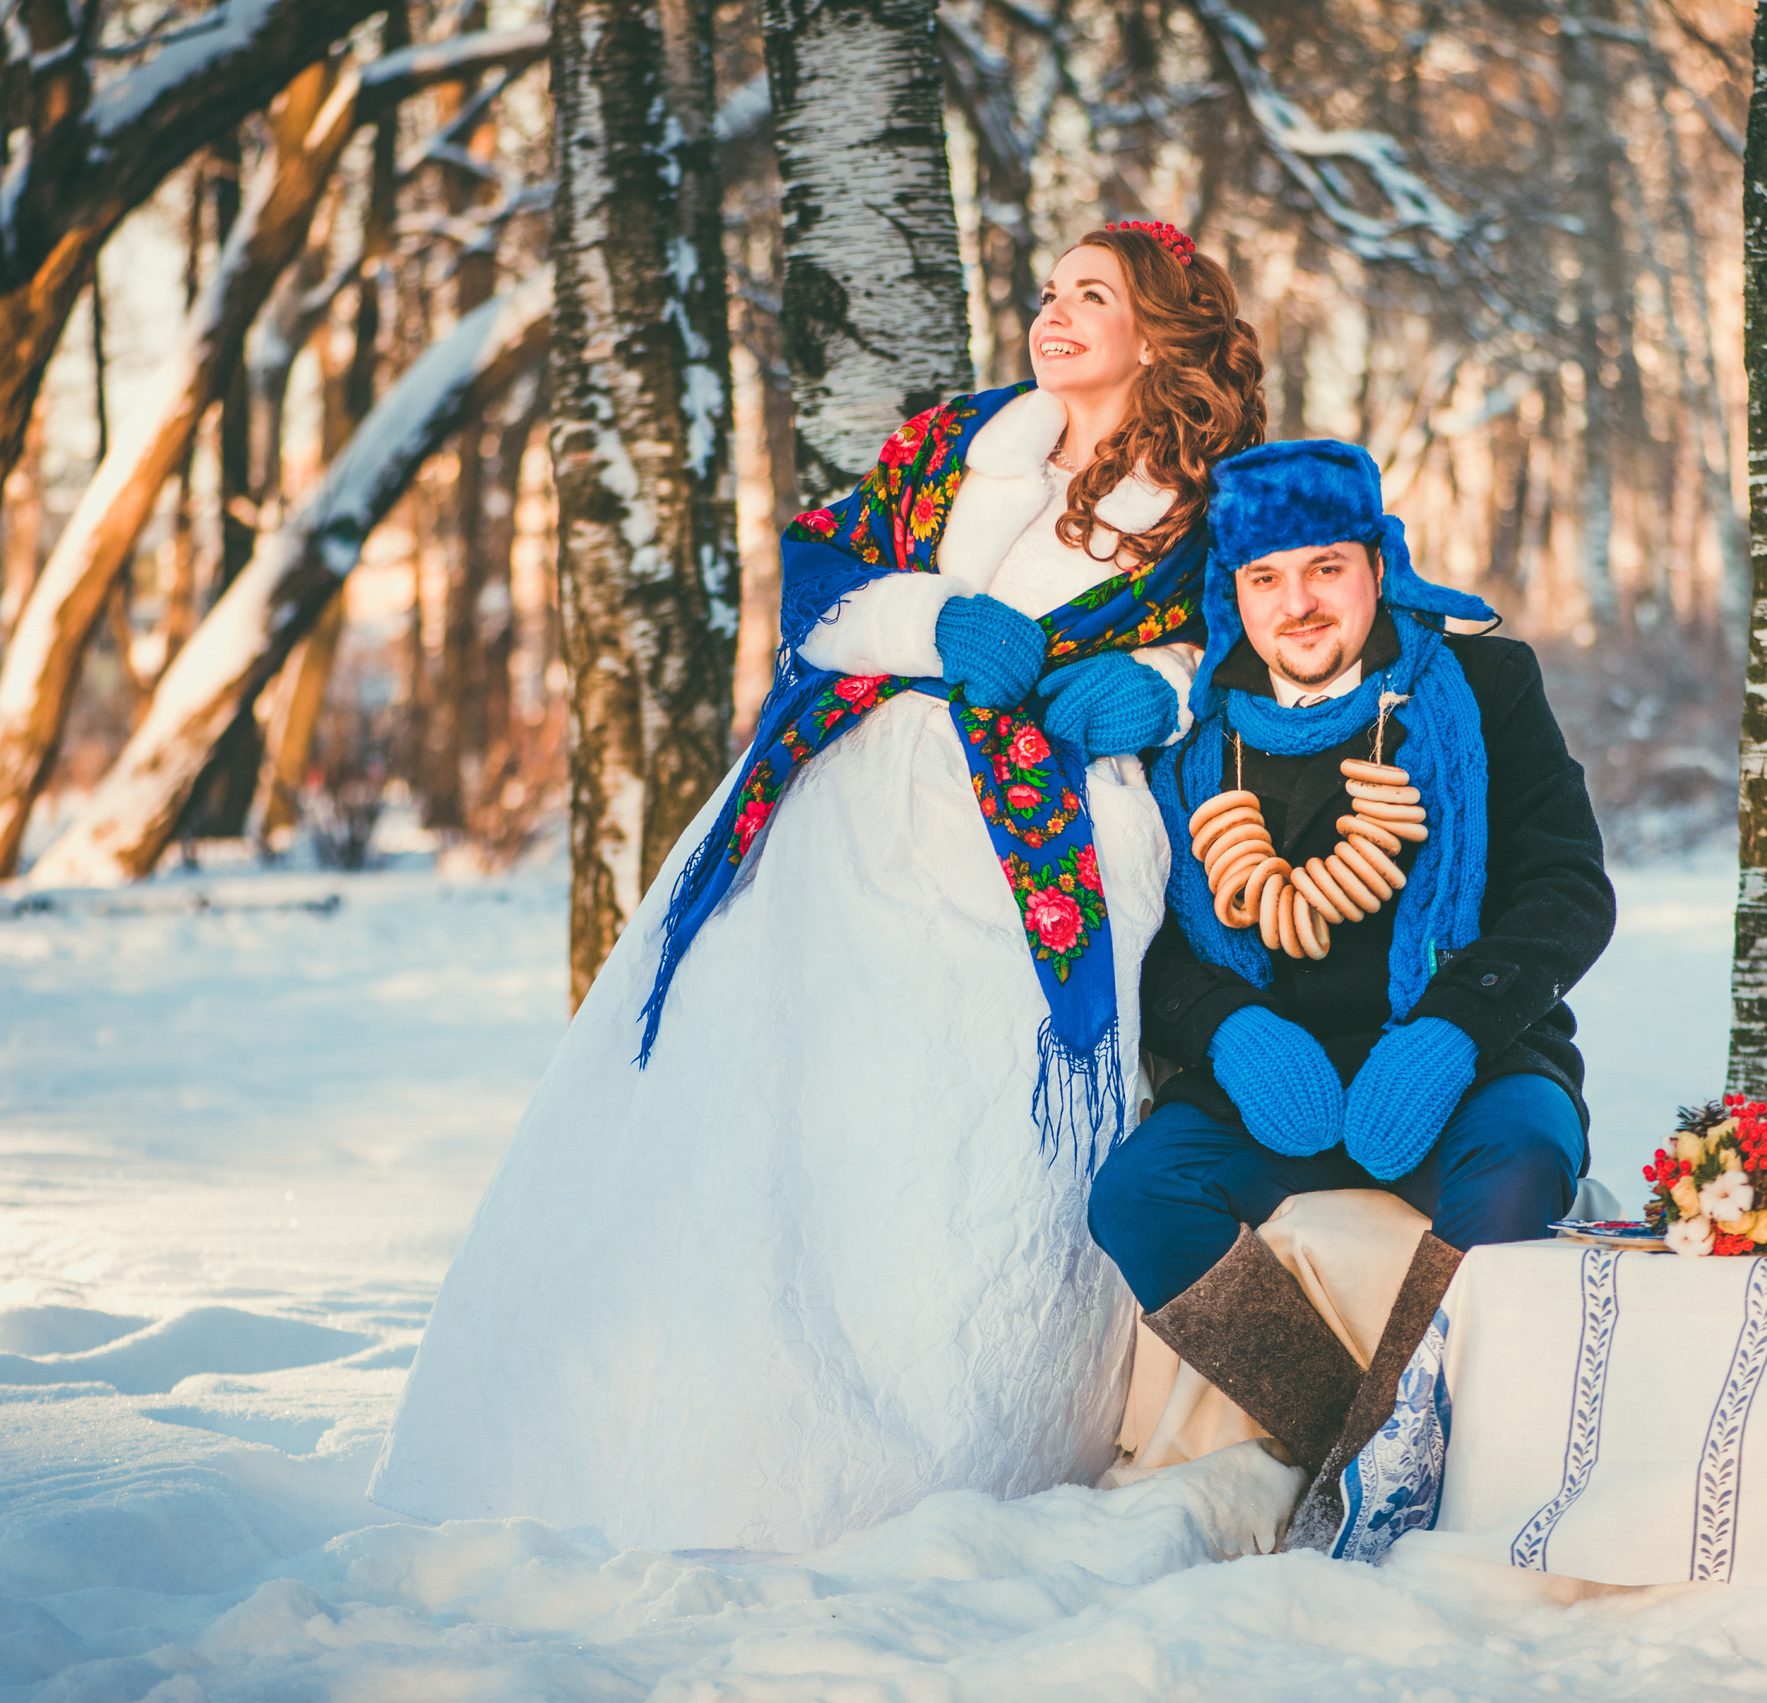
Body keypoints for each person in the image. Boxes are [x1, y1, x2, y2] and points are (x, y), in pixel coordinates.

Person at [368, 221, 1266, 1554]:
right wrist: (925, 621)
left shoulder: (1220, 495)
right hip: (838, 829)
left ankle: (955, 1458)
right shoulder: (961, 442)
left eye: (1096, 294)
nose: (1057, 312)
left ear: (1166, 328)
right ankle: (701, 1445)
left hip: (1045, 856)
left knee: (961, 1147)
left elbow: (1283, 637)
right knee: (785, 1128)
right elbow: (821, 570)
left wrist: (1172, 687)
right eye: (1049, 291)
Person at [1086, 438, 1616, 1549]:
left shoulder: (1478, 686)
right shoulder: (1189, 727)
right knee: (1136, 1195)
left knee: (1518, 1170)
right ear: (1233, 590)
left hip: (1463, 1060)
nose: (1298, 602)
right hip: (1271, 1079)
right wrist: (1225, 1031)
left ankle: (1421, 1459)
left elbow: (1567, 890)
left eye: (1324, 566)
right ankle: (1358, 1438)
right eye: (1265, 578)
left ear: (1377, 563)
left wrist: (1451, 1031)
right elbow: (1143, 937)